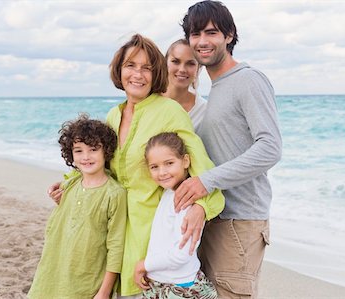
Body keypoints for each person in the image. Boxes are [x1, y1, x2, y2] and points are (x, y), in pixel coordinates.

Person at [48, 33, 225, 298]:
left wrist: (201, 207)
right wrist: (70, 184)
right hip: (111, 230)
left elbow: (203, 171)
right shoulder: (113, 114)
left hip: (151, 235)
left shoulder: (170, 111)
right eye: (131, 66)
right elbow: (102, 167)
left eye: (147, 68)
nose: (138, 74)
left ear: (156, 74)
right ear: (119, 71)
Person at [175, 1, 283, 298]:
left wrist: (204, 182)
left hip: (240, 221)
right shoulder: (217, 88)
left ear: (229, 36)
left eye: (211, 32)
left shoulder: (248, 79)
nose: (202, 41)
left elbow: (270, 148)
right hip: (214, 217)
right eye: (195, 34)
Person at [28, 114, 127, 299]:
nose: (86, 157)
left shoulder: (115, 194)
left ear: (106, 151)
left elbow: (116, 247)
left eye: (93, 149)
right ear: (70, 154)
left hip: (87, 283)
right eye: (79, 151)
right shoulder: (71, 184)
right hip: (52, 273)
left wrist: (104, 292)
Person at [134, 132, 218, 299]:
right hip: (160, 282)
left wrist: (144, 265)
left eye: (169, 163)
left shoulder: (186, 201)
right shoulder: (168, 193)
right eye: (154, 167)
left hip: (180, 287)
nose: (162, 172)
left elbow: (182, 254)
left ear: (185, 161)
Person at [162, 39, 206, 131]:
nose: (182, 69)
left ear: (198, 68)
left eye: (190, 64)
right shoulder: (148, 100)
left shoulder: (204, 111)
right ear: (165, 63)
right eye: (176, 61)